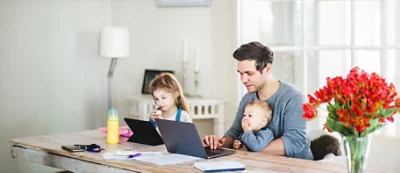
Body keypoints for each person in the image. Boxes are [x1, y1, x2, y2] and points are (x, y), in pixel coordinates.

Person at [202, 41, 314, 160]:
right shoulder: (248, 98)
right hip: (259, 165)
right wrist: (220, 143)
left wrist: (249, 150)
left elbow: (294, 142)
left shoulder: (294, 98)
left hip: (295, 167)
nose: (243, 80)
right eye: (240, 73)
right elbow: (235, 132)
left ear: (267, 68)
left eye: (249, 73)